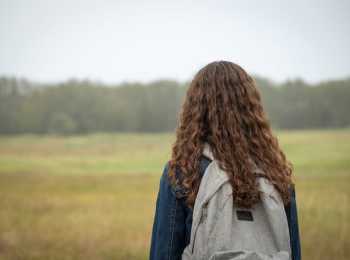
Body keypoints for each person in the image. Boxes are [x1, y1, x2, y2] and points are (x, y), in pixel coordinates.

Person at [149, 61, 301, 260]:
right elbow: (293, 253)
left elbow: (164, 254)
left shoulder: (183, 173)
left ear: (195, 111)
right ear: (251, 110)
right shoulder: (276, 175)